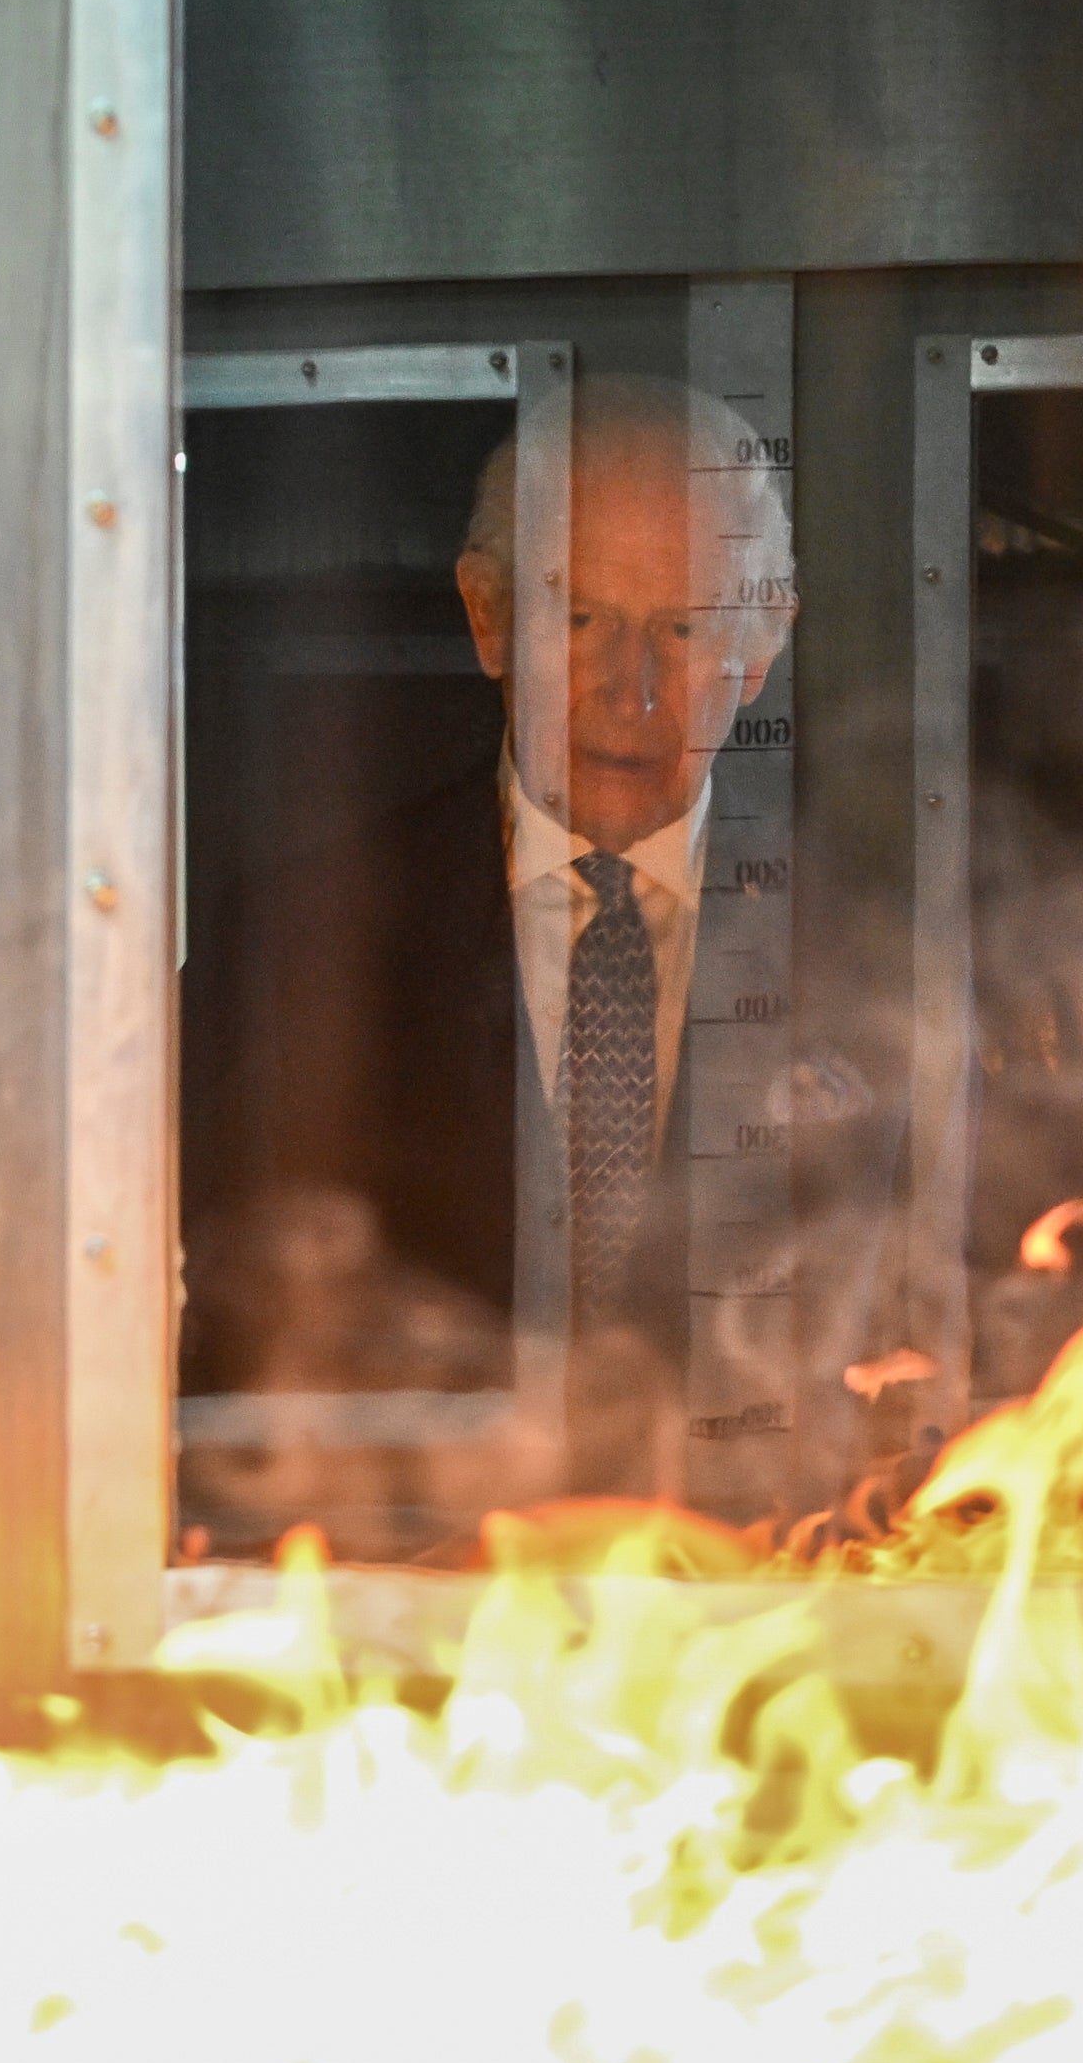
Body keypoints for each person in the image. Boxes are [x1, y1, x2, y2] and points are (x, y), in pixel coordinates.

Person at [176, 374, 798, 1501]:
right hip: (405, 1618)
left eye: (687, 627)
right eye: (580, 618)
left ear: (760, 645)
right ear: (485, 617)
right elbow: (208, 1329)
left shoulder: (883, 945)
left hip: (767, 1619)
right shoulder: (298, 937)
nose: (633, 692)